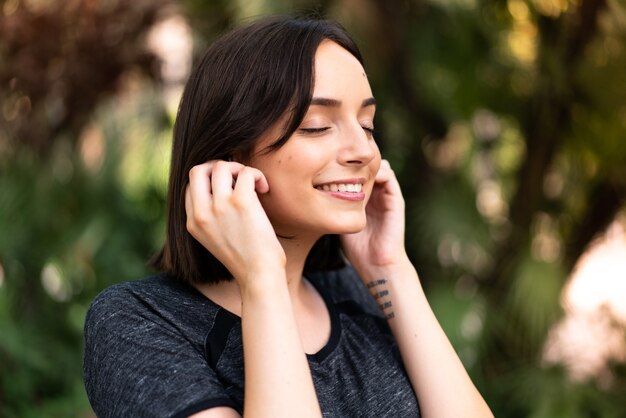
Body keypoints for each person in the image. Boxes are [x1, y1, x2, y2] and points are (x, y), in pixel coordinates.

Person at [83, 16, 493, 418]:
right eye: (317, 126)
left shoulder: (354, 292)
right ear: (229, 154)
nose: (364, 151)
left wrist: (391, 268)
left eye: (366, 125)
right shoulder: (138, 322)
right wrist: (262, 277)